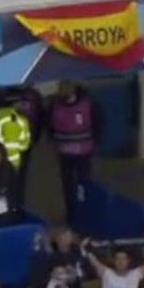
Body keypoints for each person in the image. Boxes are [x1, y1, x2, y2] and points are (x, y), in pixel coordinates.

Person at [47, 85, 102, 223]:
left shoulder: (88, 104)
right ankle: (72, 213)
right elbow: (48, 125)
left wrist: (95, 141)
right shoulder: (54, 105)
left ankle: (85, 210)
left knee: (83, 182)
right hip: (64, 152)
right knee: (68, 185)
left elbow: (98, 123)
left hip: (83, 151)